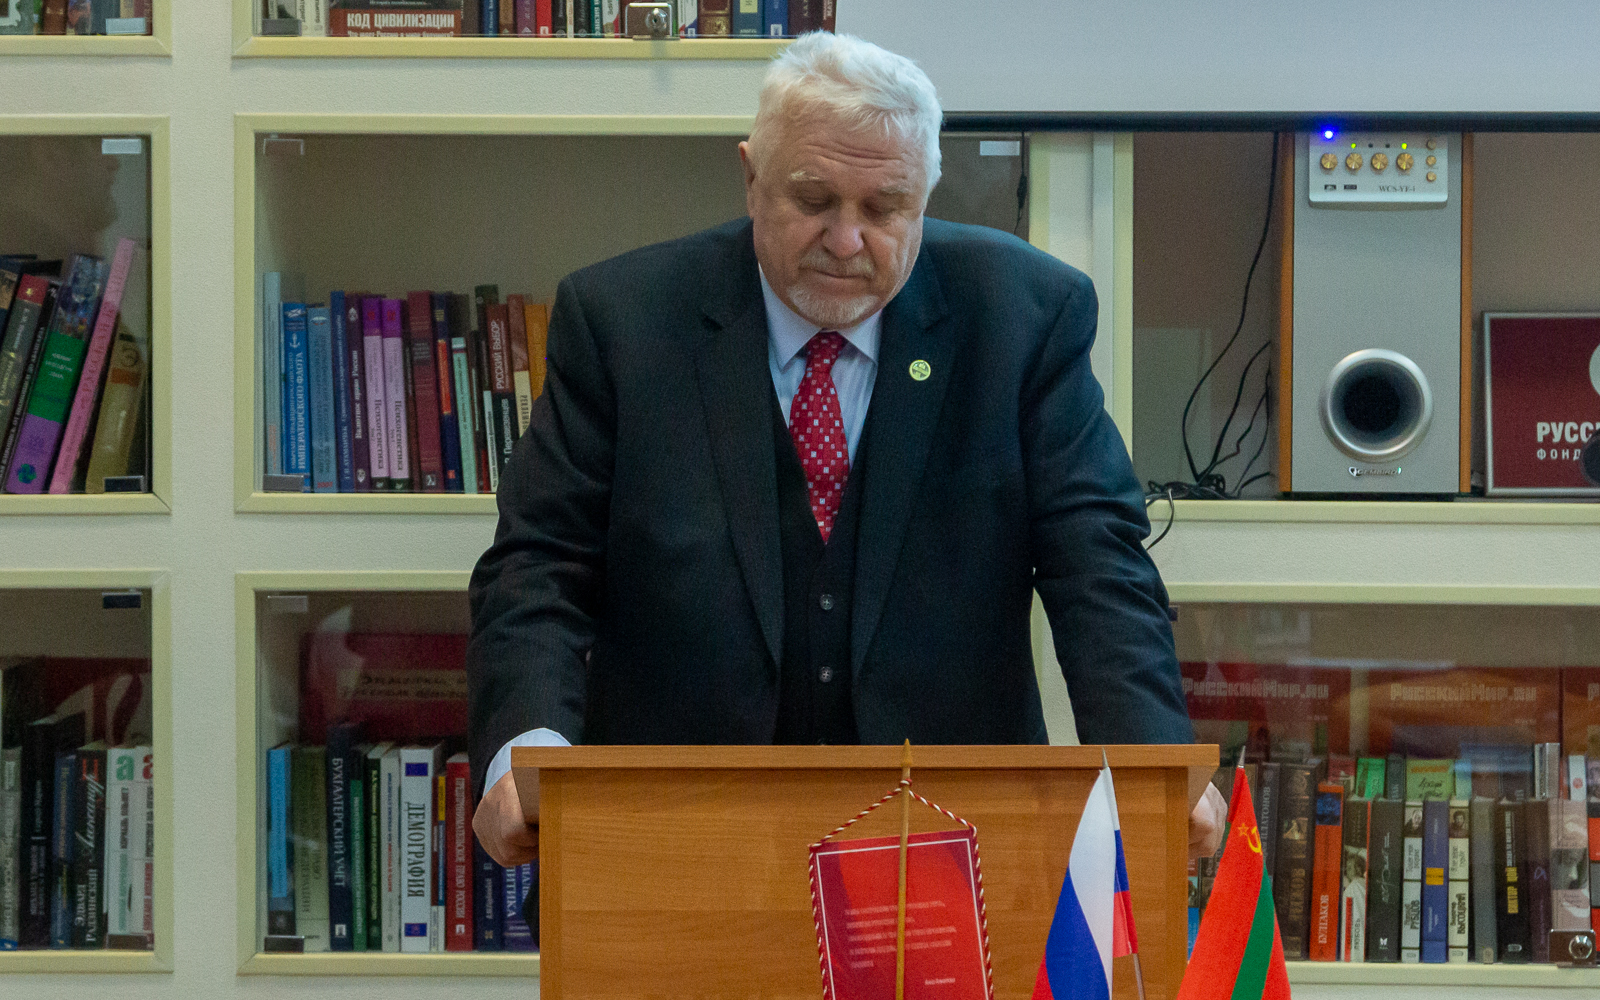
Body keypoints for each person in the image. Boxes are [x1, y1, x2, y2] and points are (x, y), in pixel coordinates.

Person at [468, 31, 1223, 868]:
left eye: (884, 208)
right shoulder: (623, 320)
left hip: (951, 840)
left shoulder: (1024, 317)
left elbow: (1099, 564)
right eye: (814, 198)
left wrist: (1152, 760)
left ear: (924, 199)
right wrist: (526, 752)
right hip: (677, 834)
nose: (846, 239)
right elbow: (540, 564)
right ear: (751, 177)